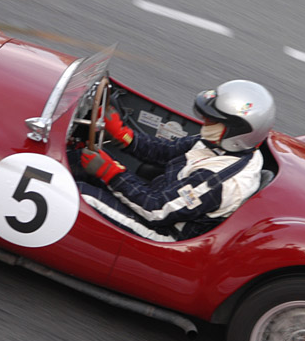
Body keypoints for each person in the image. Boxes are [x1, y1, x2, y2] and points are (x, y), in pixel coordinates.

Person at [77, 80, 275, 241]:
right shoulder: (219, 142)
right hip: (162, 199)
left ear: (237, 131)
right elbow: (165, 151)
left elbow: (155, 209)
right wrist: (124, 135)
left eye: (214, 120)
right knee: (76, 160)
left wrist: (110, 173)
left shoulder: (217, 182)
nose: (206, 122)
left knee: (74, 191)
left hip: (161, 232)